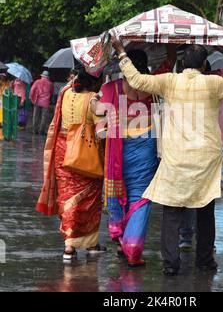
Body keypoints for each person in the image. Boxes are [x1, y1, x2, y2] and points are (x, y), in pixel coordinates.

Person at [111, 35, 223, 275]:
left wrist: (120, 51)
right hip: (206, 160)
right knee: (205, 211)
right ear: (204, 65)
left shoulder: (170, 81)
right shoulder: (213, 83)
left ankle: (170, 264)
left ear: (183, 63)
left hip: (176, 158)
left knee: (172, 211)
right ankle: (205, 261)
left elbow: (135, 79)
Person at [91, 46, 176, 267]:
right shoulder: (153, 84)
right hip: (147, 145)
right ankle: (132, 247)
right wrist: (169, 44)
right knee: (141, 196)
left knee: (120, 191)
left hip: (119, 146)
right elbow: (169, 62)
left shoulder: (112, 87)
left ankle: (122, 241)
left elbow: (98, 111)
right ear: (145, 65)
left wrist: (94, 102)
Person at [36, 66, 106, 260]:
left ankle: (69, 245)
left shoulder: (65, 93)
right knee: (89, 201)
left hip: (62, 149)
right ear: (94, 82)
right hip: (85, 153)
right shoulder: (93, 99)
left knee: (67, 197)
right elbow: (101, 132)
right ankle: (90, 244)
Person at [29, 70, 54, 135]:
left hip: (37, 101)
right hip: (46, 102)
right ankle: (41, 131)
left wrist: (31, 98)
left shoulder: (37, 82)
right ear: (48, 77)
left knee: (36, 116)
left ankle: (35, 130)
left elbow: (32, 90)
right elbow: (51, 93)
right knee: (44, 117)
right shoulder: (50, 84)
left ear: (42, 76)